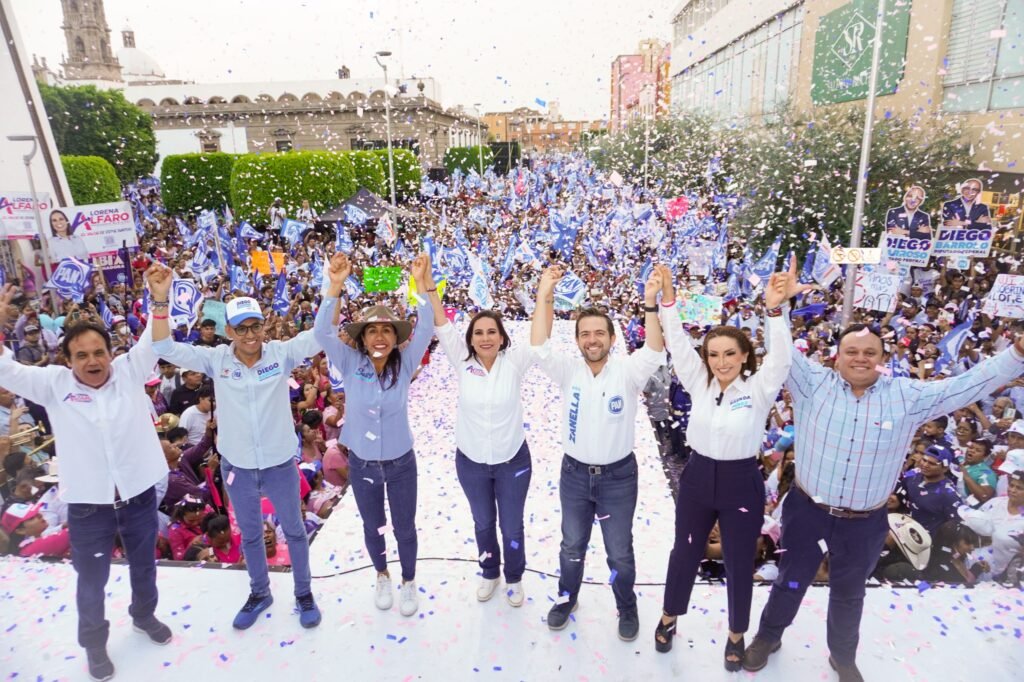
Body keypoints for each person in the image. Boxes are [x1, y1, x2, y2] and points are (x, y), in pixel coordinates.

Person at [742, 276, 1024, 682]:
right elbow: (782, 348)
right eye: (851, 351)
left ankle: (842, 655)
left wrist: (1015, 353)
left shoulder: (908, 396)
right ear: (836, 357)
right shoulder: (811, 384)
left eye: (869, 352)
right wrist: (775, 308)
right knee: (791, 579)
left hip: (865, 521)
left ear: (882, 357)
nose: (859, 358)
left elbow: (967, 386)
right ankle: (768, 637)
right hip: (809, 511)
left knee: (849, 593)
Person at [0, 280, 171, 682]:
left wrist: (159, 297)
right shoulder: (53, 384)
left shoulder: (130, 371)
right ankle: (94, 643)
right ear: (67, 359)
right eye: (81, 355)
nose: (92, 361)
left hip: (137, 497)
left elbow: (155, 337)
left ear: (112, 353)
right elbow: (5, 368)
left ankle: (144, 616)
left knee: (144, 566)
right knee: (92, 580)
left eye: (98, 352)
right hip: (88, 508)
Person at [147, 263, 323, 630]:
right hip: (238, 467)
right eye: (240, 328)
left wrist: (333, 287)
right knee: (251, 533)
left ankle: (303, 592)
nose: (249, 335)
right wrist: (160, 299)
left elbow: (322, 334)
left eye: (254, 326)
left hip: (277, 464)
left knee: (293, 529)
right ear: (228, 331)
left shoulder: (281, 354)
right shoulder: (215, 359)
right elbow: (163, 345)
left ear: (264, 326)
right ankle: (260, 592)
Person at [653, 264, 791, 668]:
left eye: (730, 354)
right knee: (685, 551)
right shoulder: (699, 381)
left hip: (740, 481)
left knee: (738, 558)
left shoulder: (760, 388)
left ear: (745, 355)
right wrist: (668, 301)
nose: (721, 361)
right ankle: (669, 615)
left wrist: (774, 312)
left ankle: (736, 632)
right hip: (697, 477)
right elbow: (677, 343)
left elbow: (781, 358)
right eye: (714, 354)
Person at [530, 264, 665, 641]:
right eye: (585, 334)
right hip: (574, 475)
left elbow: (655, 348)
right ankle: (567, 597)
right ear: (576, 340)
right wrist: (544, 294)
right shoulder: (568, 371)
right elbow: (539, 346)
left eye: (599, 333)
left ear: (612, 337)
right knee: (571, 544)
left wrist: (650, 303)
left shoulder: (628, 372)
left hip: (618, 478)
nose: (592, 339)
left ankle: (626, 607)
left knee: (619, 551)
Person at [313, 252, 434, 617]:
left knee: (404, 527)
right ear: (363, 338)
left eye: (386, 330)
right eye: (372, 330)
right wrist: (334, 287)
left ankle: (408, 581)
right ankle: (381, 574)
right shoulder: (350, 363)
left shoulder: (406, 361)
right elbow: (321, 332)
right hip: (363, 463)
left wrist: (421, 284)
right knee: (374, 525)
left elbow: (426, 326)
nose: (379, 336)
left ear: (394, 336)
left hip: (401, 463)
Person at [418, 257, 535, 607]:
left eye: (491, 332)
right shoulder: (462, 362)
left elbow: (540, 333)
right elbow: (441, 323)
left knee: (511, 526)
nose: (485, 338)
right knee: (483, 523)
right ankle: (490, 572)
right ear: (470, 338)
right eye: (478, 332)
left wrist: (544, 295)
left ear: (502, 338)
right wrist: (427, 283)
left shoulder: (516, 362)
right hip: (470, 462)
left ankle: (513, 577)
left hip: (512, 461)